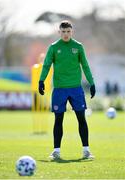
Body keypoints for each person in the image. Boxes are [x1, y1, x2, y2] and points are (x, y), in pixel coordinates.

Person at [38, 20, 96, 160]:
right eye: (63, 32)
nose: (66, 34)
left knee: (81, 118)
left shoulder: (78, 47)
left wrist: (92, 83)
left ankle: (86, 151)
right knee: (58, 119)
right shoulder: (53, 47)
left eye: (68, 31)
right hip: (59, 89)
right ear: (59, 32)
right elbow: (46, 65)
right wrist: (41, 80)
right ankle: (56, 151)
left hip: (76, 89)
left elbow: (85, 66)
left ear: (72, 32)